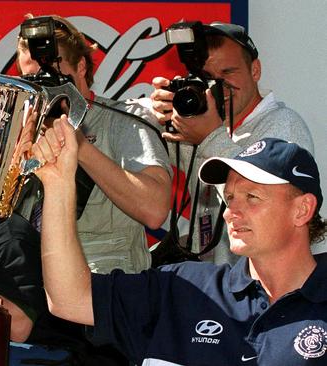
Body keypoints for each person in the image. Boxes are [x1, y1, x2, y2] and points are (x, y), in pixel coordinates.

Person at [33, 117, 327, 364]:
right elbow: (70, 299)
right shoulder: (183, 287)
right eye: (231, 198)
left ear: (302, 209)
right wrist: (58, 183)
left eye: (252, 197)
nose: (231, 212)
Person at [15, 15, 172, 274]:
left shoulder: (124, 120)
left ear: (81, 67)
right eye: (32, 78)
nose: (44, 86)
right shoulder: (20, 130)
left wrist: (79, 145)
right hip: (33, 284)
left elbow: (154, 210)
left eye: (52, 73)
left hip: (102, 287)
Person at [146, 21, 314, 264]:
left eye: (227, 73)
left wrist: (210, 136)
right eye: (207, 77)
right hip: (215, 283)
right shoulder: (207, 124)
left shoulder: (283, 125)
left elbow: (260, 200)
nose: (218, 86)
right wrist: (162, 117)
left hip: (263, 286)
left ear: (255, 70)